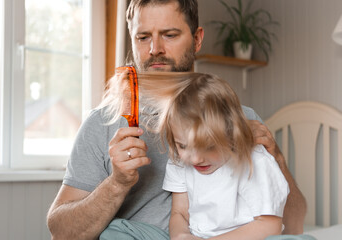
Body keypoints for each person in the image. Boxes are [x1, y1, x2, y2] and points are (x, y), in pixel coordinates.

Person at [46, 0, 306, 239]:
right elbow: (60, 233)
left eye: (169, 35)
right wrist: (116, 184)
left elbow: (293, 226)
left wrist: (278, 160)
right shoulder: (102, 123)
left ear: (197, 39)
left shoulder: (240, 118)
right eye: (143, 37)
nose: (154, 49)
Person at [105, 71, 290, 239]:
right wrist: (181, 236)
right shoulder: (180, 160)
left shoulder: (254, 161)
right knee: (115, 229)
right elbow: (180, 213)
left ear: (232, 133)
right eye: (183, 145)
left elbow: (269, 226)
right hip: (196, 235)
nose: (195, 159)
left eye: (208, 147)